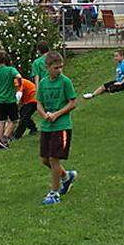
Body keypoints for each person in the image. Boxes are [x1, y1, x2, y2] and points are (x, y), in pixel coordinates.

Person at [36, 51, 78, 205]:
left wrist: (57, 114)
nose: (59, 70)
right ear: (48, 67)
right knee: (45, 159)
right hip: (47, 126)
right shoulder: (43, 84)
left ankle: (54, 193)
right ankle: (66, 177)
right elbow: (39, 103)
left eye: (61, 67)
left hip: (62, 126)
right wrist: (44, 114)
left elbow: (72, 102)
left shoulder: (65, 82)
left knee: (54, 159)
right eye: (56, 68)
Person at [0, 51, 23, 149]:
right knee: (14, 120)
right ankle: (4, 139)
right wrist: (18, 84)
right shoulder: (10, 70)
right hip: (10, 100)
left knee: (1, 121)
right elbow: (19, 76)